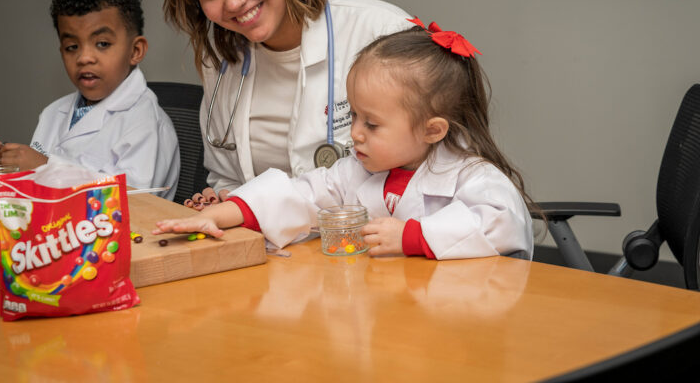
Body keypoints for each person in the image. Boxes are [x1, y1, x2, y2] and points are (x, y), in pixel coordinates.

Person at [154, 22, 538, 259]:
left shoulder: (474, 177)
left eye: (372, 124)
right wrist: (216, 215)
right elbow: (299, 195)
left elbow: (502, 224)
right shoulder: (355, 171)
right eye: (353, 115)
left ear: (432, 130)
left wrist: (414, 236)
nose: (354, 133)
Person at [161, 0, 413, 208]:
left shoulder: (383, 31)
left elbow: (441, 172)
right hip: (265, 239)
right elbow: (228, 178)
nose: (233, 2)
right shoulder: (220, 61)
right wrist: (223, 199)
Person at [0, 0, 180, 200]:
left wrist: (46, 168)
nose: (84, 57)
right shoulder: (53, 113)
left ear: (135, 51)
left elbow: (134, 203)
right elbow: (38, 192)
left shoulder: (146, 123)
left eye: (102, 43)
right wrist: (10, 165)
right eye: (72, 47)